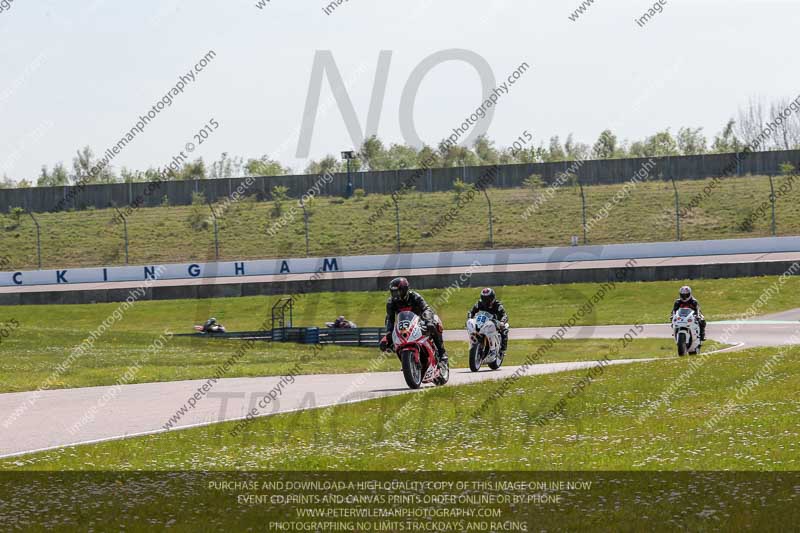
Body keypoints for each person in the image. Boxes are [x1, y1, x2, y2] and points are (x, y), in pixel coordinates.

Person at [379, 277, 447, 363]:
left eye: (397, 292)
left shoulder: (415, 296)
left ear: (404, 290)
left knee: (434, 322)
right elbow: (390, 318)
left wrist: (428, 321)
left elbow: (426, 309)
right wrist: (389, 333)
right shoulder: (391, 302)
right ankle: (406, 362)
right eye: (393, 292)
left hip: (419, 322)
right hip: (403, 326)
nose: (395, 295)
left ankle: (442, 353)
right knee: (384, 343)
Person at [467, 288, 509, 358]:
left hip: (495, 322)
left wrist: (502, 322)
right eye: (484, 298)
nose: (486, 301)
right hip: (481, 322)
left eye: (488, 298)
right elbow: (471, 312)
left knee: (505, 329)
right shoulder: (479, 303)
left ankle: (501, 350)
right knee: (470, 322)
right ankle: (473, 341)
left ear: (492, 298)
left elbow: (504, 315)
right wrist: (470, 317)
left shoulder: (498, 305)